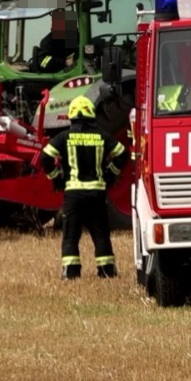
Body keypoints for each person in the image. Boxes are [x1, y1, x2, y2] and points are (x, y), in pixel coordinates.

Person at [39, 95, 127, 279]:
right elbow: (121, 152)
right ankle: (107, 271)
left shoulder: (64, 137)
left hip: (74, 194)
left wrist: (56, 178)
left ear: (72, 116)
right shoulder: (101, 136)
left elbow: (45, 157)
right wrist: (111, 173)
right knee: (101, 233)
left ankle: (71, 272)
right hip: (97, 193)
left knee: (71, 234)